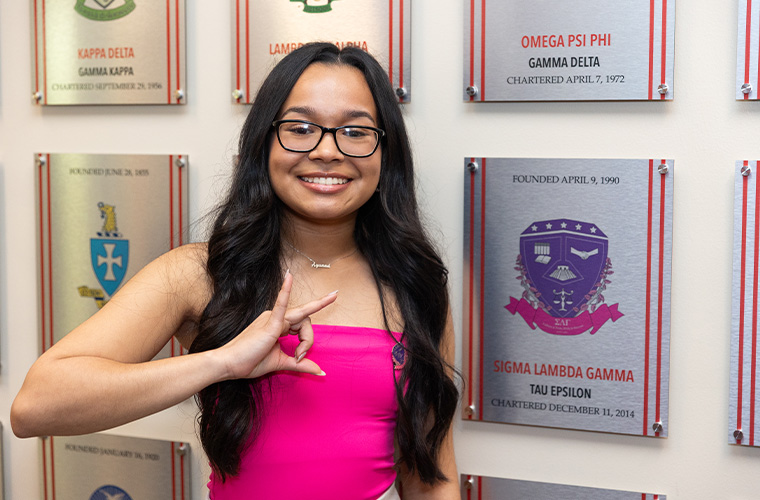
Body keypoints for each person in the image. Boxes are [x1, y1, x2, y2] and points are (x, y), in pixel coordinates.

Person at [11, 42, 460, 499]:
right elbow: (35, 408)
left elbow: (429, 475)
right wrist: (221, 362)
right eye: (300, 128)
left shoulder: (415, 287)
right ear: (263, 143)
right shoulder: (199, 274)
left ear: (386, 153)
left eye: (356, 131)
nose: (327, 151)